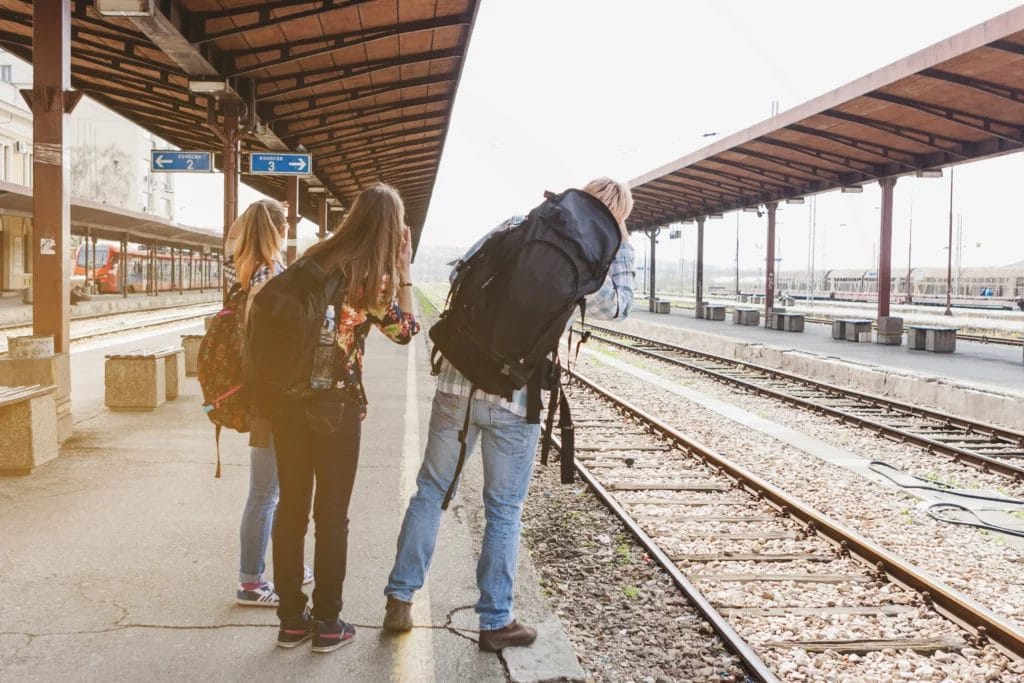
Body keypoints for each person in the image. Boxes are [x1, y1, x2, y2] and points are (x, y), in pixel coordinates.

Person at [383, 178, 636, 651]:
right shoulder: (602, 252)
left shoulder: (526, 222)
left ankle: (400, 597)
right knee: (503, 509)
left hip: (458, 378)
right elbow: (617, 309)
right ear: (619, 216)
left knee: (432, 490)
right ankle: (495, 621)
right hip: (515, 395)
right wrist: (620, 248)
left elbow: (464, 267)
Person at [271, 183, 420, 653]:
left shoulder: (315, 257)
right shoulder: (370, 277)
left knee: (290, 509)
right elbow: (406, 332)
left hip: (287, 403)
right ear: (392, 230)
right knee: (331, 517)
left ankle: (292, 620)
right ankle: (329, 623)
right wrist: (404, 272)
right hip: (337, 410)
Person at [223, 199, 313, 607]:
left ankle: (282, 567)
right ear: (280, 232)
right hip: (273, 396)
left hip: (260, 392)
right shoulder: (273, 275)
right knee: (265, 491)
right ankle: (251, 582)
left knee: (269, 489)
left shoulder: (247, 271)